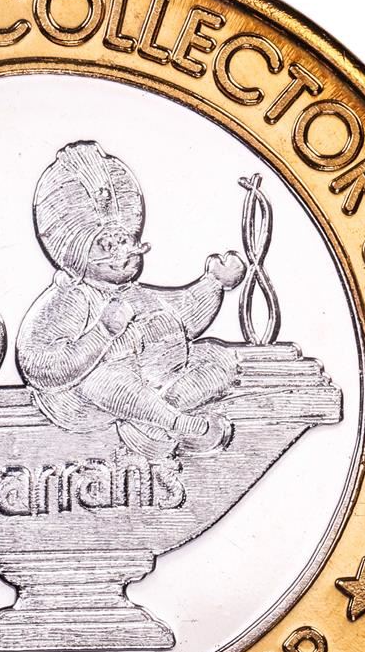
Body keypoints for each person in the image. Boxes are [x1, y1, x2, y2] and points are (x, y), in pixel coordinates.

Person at [16, 141, 247, 458]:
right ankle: (175, 422)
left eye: (125, 240)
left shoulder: (135, 293)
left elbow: (183, 314)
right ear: (78, 253)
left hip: (153, 383)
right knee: (106, 377)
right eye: (106, 245)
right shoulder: (72, 297)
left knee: (217, 357)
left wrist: (214, 283)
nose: (123, 252)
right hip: (82, 401)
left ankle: (152, 421)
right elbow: (40, 365)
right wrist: (102, 333)